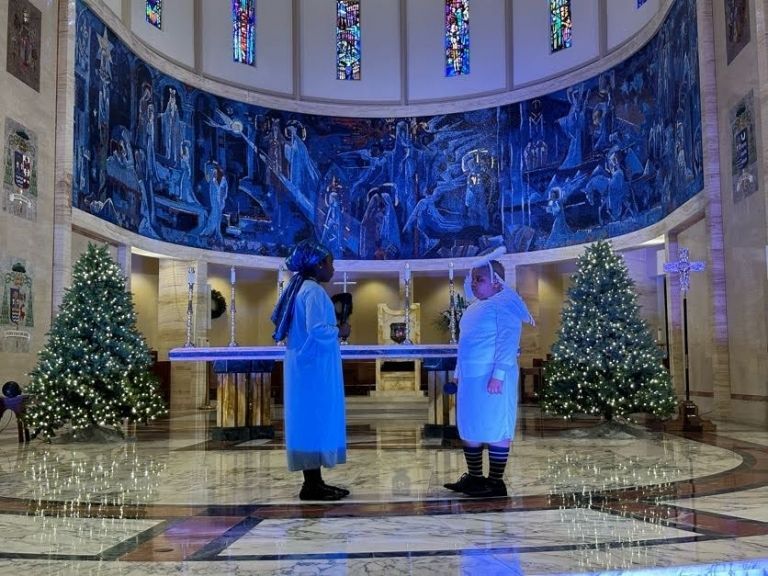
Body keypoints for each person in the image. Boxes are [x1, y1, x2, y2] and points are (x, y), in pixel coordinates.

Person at [445, 248, 534, 497]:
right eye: (473, 279)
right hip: (471, 379)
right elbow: (465, 346)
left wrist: (499, 375)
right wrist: (457, 374)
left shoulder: (505, 305)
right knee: (470, 426)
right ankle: (474, 478)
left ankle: (495, 483)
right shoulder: (474, 308)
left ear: (497, 282)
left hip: (492, 378)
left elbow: (508, 343)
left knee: (495, 426)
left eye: (480, 279)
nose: (474, 284)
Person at [271, 240, 351, 501]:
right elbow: (318, 330)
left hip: (303, 366)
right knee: (315, 418)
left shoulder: (300, 289)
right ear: (317, 265)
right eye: (330, 263)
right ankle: (312, 485)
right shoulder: (313, 291)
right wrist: (341, 331)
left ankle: (313, 481)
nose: (333, 269)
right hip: (314, 368)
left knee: (307, 420)